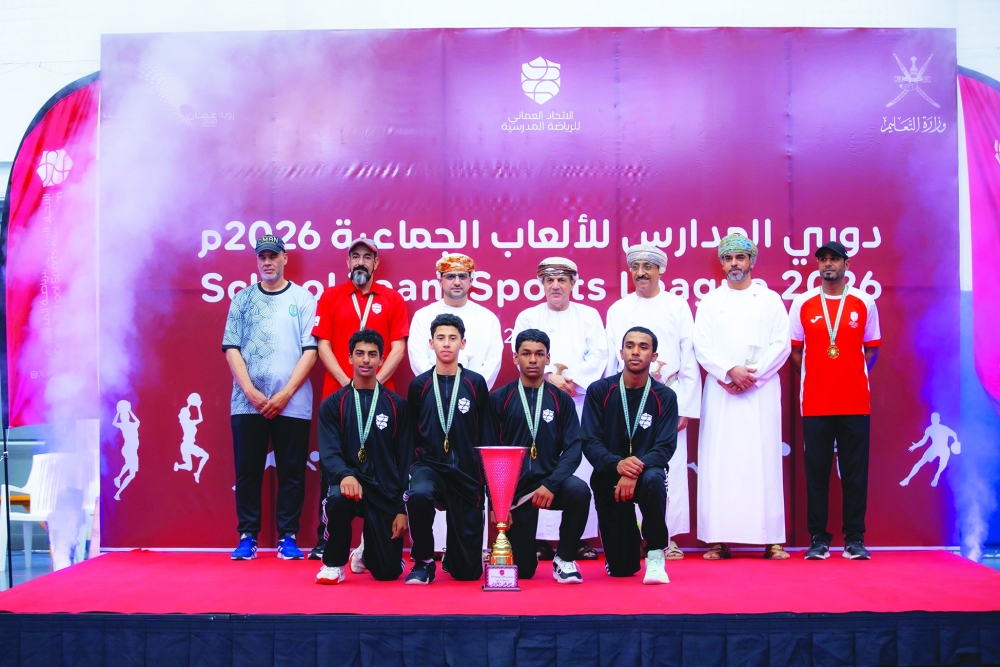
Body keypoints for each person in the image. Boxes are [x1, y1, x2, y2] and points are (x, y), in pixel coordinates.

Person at [693, 233, 791, 561]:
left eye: (740, 257)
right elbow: (701, 344)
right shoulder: (710, 302)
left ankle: (772, 539)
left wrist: (754, 375)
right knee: (719, 462)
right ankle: (718, 540)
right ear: (721, 263)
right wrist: (727, 371)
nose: (734, 263)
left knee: (762, 460)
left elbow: (782, 344)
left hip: (760, 392)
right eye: (728, 258)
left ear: (752, 261)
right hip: (721, 392)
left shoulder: (769, 300)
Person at [309, 238, 409, 560]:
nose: (361, 262)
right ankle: (327, 542)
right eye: (356, 257)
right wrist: (347, 382)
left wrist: (372, 383)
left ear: (376, 263)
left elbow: (398, 347)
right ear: (347, 262)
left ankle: (371, 540)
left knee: (382, 468)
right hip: (338, 395)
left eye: (368, 257)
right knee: (333, 470)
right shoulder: (330, 296)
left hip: (381, 400)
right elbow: (322, 345)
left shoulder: (392, 299)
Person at [223, 234, 318, 561]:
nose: (267, 262)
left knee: (292, 471)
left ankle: (287, 537)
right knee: (247, 469)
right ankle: (247, 536)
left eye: (273, 256)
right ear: (257, 260)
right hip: (245, 401)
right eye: (262, 256)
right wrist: (250, 391)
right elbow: (231, 348)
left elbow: (311, 351)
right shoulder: (242, 299)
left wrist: (285, 393)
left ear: (284, 258)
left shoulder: (304, 299)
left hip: (292, 401)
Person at [604, 244, 701, 559]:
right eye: (636, 267)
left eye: (648, 266)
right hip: (626, 399)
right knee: (627, 466)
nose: (641, 272)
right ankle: (629, 539)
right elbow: (610, 359)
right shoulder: (619, 309)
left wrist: (685, 406)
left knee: (665, 468)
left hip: (667, 398)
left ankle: (666, 538)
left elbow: (689, 357)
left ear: (661, 270)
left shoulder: (677, 306)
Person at [790, 241, 881, 560]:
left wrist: (851, 373)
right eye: (823, 259)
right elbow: (797, 351)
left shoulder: (863, 301)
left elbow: (872, 349)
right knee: (817, 472)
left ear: (847, 264)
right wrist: (820, 374)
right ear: (817, 265)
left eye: (834, 259)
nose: (828, 264)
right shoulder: (802, 302)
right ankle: (819, 538)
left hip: (855, 402)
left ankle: (854, 538)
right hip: (815, 403)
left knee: (855, 472)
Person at [511, 257, 607, 560]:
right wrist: (550, 377)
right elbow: (522, 352)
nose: (556, 286)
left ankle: (578, 539)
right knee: (538, 462)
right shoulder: (527, 316)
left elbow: (599, 354)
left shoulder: (589, 315)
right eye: (550, 280)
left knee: (577, 467)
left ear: (573, 284)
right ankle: (538, 538)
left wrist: (572, 382)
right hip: (537, 402)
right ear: (541, 284)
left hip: (578, 400)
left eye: (562, 280)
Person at [488, 329, 591, 583]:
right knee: (522, 571)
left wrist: (551, 483)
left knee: (579, 491)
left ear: (548, 358)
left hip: (550, 482)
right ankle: (525, 553)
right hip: (516, 491)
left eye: (539, 354)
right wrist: (497, 503)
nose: (532, 359)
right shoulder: (499, 399)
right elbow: (490, 456)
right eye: (526, 354)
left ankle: (564, 558)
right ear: (515, 358)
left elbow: (574, 448)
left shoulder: (561, 400)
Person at [581, 327, 678, 584]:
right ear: (621, 352)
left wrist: (634, 470)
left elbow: (665, 446)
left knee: (655, 480)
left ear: (654, 355)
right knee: (623, 568)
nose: (636, 352)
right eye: (630, 346)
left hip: (647, 474)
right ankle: (625, 548)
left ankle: (656, 555)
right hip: (609, 476)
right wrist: (618, 465)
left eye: (643, 347)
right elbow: (590, 442)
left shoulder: (665, 396)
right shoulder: (600, 391)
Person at [315, 329, 409, 584]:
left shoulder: (397, 405)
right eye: (360, 354)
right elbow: (329, 451)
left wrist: (402, 509)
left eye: (372, 354)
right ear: (349, 358)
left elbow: (404, 459)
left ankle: (365, 550)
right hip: (350, 486)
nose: (365, 360)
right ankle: (333, 564)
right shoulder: (333, 404)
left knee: (388, 573)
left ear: (381, 359)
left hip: (385, 491)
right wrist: (345, 474)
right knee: (336, 499)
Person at [404, 314, 490, 584]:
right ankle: (424, 560)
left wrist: (486, 484)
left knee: (467, 574)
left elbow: (484, 434)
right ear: (431, 343)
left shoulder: (476, 384)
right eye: (440, 338)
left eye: (453, 338)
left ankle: (455, 556)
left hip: (466, 471)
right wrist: (412, 471)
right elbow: (411, 436)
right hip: (430, 466)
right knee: (418, 494)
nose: (446, 344)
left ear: (462, 344)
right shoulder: (419, 385)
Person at [408, 253, 503, 390]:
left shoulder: (488, 318)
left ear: (471, 281)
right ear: (440, 281)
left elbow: (492, 362)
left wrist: (471, 389)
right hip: (433, 393)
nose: (457, 282)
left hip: (474, 395)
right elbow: (418, 359)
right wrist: (437, 387)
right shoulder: (423, 316)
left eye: (462, 276)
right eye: (450, 276)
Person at [174, 393, 209, 484]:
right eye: (188, 412)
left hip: (189, 445)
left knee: (203, 458)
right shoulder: (187, 423)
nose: (189, 412)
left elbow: (200, 419)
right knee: (190, 466)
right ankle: (178, 466)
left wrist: (197, 406)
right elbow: (199, 419)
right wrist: (195, 406)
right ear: (185, 415)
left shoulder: (189, 422)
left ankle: (196, 473)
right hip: (186, 446)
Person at [112, 400, 140, 501]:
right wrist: (119, 412)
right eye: (124, 417)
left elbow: (138, 421)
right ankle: (118, 478)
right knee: (129, 464)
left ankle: (118, 493)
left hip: (133, 449)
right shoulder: (123, 425)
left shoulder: (132, 424)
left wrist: (129, 411)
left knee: (132, 474)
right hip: (128, 448)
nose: (126, 417)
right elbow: (114, 423)